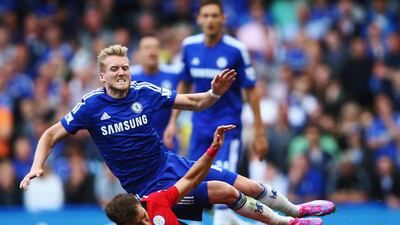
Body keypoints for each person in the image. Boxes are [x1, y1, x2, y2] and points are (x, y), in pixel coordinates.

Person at [20, 45, 334, 225]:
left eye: (125, 68)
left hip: (173, 163)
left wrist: (213, 92)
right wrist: (37, 165)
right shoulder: (90, 106)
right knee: (224, 193)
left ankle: (296, 209)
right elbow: (50, 134)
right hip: (149, 189)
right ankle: (288, 224)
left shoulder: (143, 91)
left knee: (247, 184)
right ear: (103, 76)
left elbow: (193, 102)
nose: (121, 73)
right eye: (115, 69)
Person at [163, 1, 268, 223]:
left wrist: (259, 133)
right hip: (199, 127)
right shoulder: (189, 46)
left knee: (226, 183)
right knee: (192, 183)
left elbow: (251, 91)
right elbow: (184, 85)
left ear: (223, 19)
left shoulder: (236, 49)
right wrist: (173, 121)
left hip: (228, 128)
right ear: (198, 19)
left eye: (214, 16)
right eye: (206, 16)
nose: (210, 20)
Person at [105, 125, 322, 225]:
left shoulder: (155, 202)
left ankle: (293, 214)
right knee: (226, 194)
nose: (147, 223)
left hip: (173, 170)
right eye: (140, 224)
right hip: (156, 181)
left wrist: (213, 149)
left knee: (241, 189)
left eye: (144, 217)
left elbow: (190, 180)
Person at [131, 35, 182, 152]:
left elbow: (180, 99)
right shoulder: (129, 76)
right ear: (139, 53)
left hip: (167, 137)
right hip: (138, 140)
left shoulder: (174, 74)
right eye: (147, 48)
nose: (152, 51)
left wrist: (173, 123)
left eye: (155, 47)